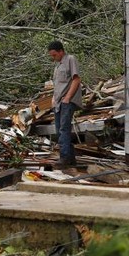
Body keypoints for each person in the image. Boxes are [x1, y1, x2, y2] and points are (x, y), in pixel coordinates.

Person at [47, 40, 82, 168]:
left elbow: (76, 79)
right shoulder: (57, 66)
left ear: (61, 51)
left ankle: (65, 158)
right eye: (51, 55)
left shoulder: (70, 59)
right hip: (58, 102)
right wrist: (53, 99)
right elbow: (57, 85)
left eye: (54, 55)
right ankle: (71, 158)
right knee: (59, 129)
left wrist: (68, 97)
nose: (53, 58)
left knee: (64, 129)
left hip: (67, 101)